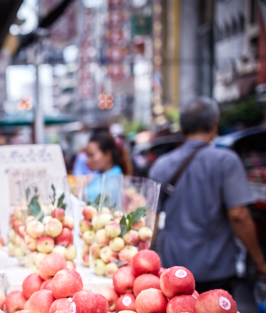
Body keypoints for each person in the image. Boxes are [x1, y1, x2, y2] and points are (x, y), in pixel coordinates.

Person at [149, 97, 266, 293]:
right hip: (216, 268)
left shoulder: (161, 166)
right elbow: (239, 215)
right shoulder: (226, 162)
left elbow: (151, 219)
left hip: (173, 268)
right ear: (214, 125)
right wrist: (259, 260)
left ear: (183, 128)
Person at [83, 132, 127, 202]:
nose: (87, 160)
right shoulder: (102, 176)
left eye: (91, 155)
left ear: (107, 155)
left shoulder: (114, 181)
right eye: (87, 155)